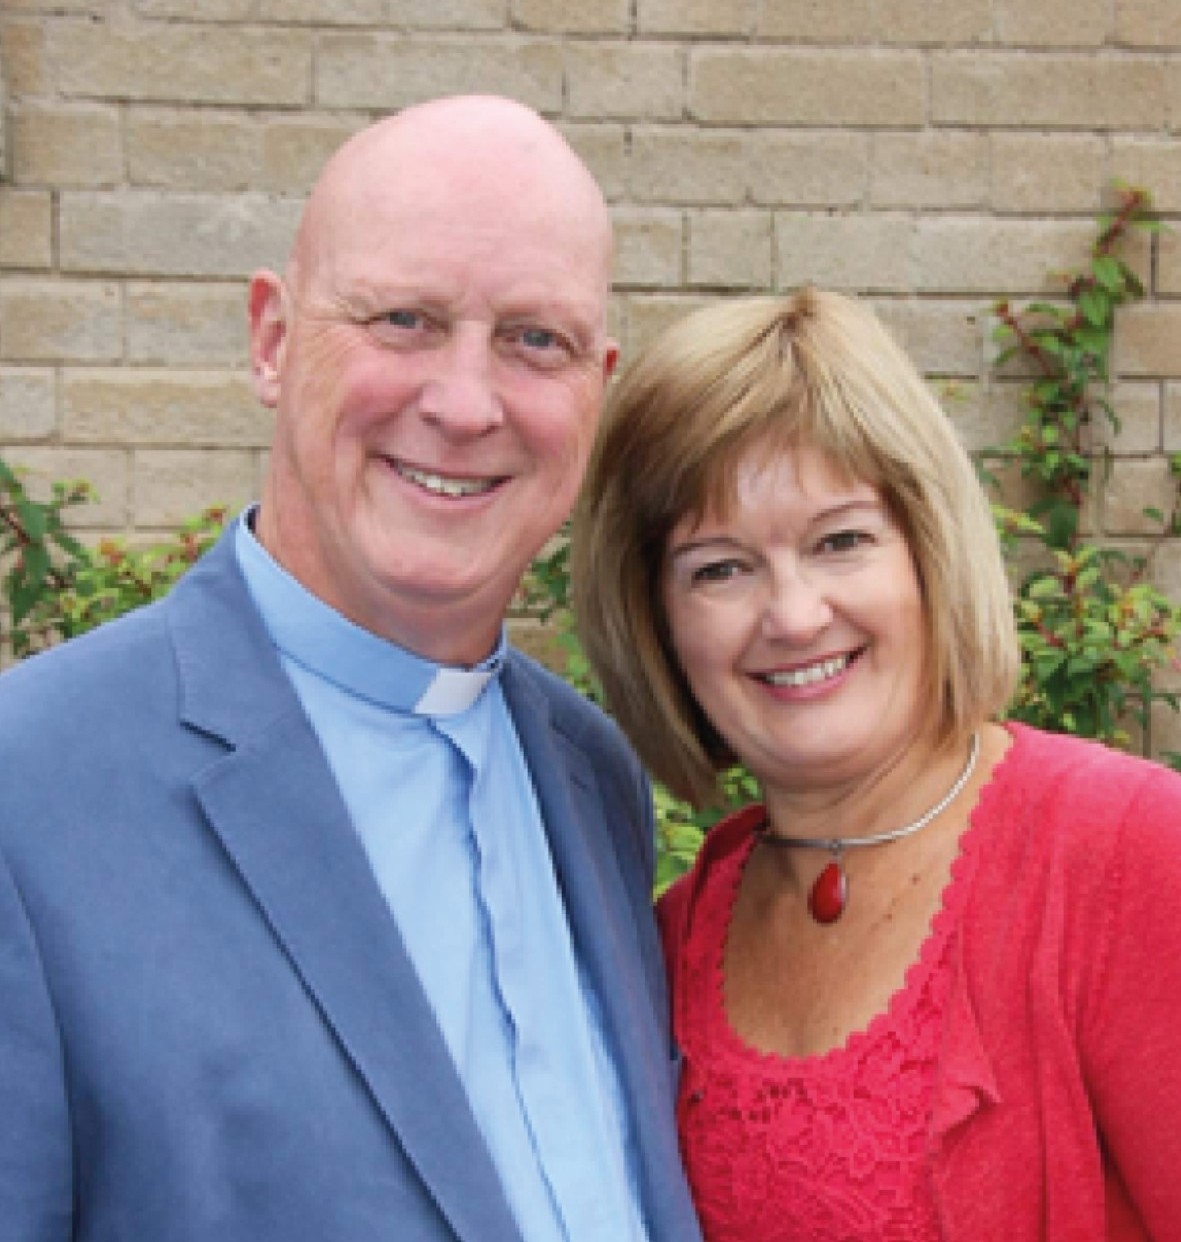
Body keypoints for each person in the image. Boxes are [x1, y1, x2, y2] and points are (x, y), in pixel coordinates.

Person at [0, 95, 702, 1242]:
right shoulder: (26, 789)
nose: (465, 404)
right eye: (403, 320)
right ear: (272, 341)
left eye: (536, 340)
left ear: (597, 384)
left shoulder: (591, 775)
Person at [572, 286, 1181, 1240]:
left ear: (927, 553)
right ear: (655, 622)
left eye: (840, 541)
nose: (794, 614)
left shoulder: (1124, 853)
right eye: (719, 568)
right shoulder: (668, 947)